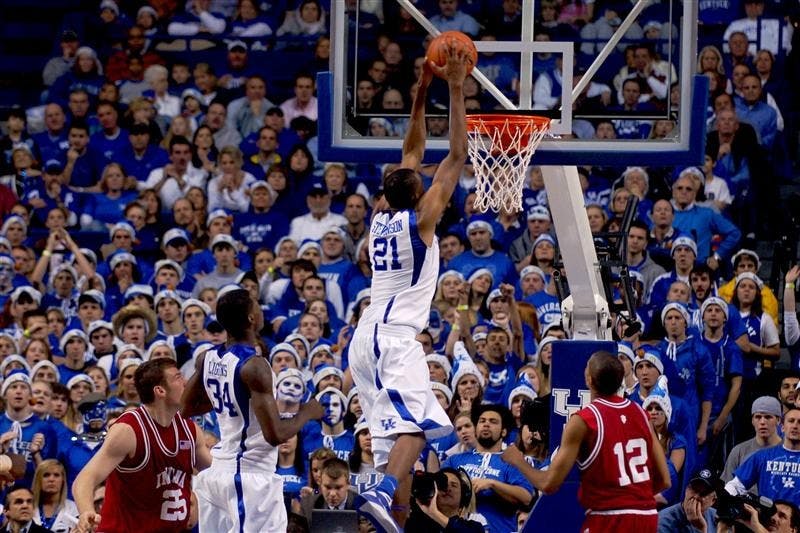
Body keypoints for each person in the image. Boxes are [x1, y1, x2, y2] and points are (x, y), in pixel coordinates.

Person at [347, 40, 471, 533]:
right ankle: (377, 491)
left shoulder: (381, 216)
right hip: (395, 338)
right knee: (418, 429)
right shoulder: (422, 220)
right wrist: (455, 90)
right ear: (421, 191)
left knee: (391, 454)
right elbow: (457, 154)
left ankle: (388, 510)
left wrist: (421, 92)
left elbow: (412, 150)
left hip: (367, 338)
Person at [181, 288, 323, 532]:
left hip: (217, 471)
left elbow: (186, 406)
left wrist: (230, 403)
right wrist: (308, 412)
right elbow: (275, 435)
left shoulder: (208, 358)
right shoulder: (254, 366)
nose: (260, 309)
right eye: (256, 305)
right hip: (248, 475)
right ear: (250, 318)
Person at [502, 351, 670, 531]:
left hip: (608, 517)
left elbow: (548, 484)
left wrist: (518, 460)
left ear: (588, 380)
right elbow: (664, 481)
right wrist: (633, 499)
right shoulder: (641, 414)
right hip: (646, 516)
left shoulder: (584, 420)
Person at [72, 358, 212, 533]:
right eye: (177, 377)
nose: (185, 382)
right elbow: (85, 478)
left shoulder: (190, 429)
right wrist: (86, 511)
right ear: (160, 390)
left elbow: (215, 470)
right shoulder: (128, 430)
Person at [725, 407, 800, 506]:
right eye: (791, 421)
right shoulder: (762, 456)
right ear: (782, 427)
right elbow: (734, 486)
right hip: (766, 518)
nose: (795, 426)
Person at [722, 396, 783, 481]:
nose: (762, 422)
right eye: (758, 417)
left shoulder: (790, 451)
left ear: (778, 420)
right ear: (752, 421)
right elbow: (727, 486)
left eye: (768, 417)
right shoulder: (739, 451)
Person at [657, 469, 718, 533]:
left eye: (703, 494)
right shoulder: (663, 521)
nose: (696, 496)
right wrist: (699, 530)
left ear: (713, 501)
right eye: (694, 489)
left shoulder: (715, 518)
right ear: (686, 489)